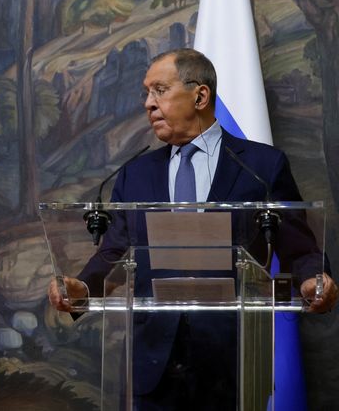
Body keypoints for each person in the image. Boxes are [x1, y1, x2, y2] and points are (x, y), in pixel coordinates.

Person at [47, 48, 337, 409]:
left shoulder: (262, 166)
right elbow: (114, 250)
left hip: (234, 358)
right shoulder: (135, 173)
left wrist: (313, 280)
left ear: (200, 96)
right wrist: (82, 287)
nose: (148, 104)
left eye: (159, 90)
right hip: (154, 362)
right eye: (146, 93)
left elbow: (299, 249)